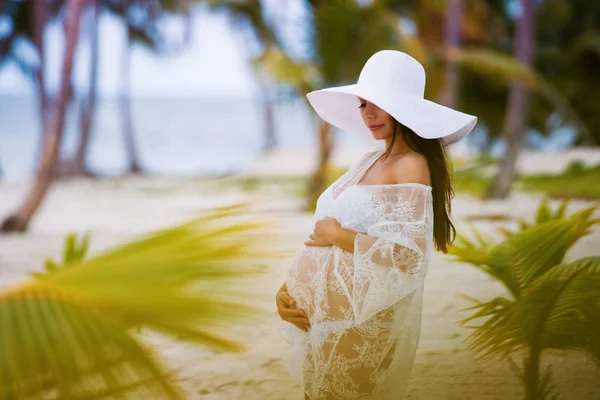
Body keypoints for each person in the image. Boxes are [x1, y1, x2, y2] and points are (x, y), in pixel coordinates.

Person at [275, 50, 477, 400]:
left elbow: (410, 256)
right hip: (320, 318)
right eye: (362, 104)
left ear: (404, 108)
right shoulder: (370, 159)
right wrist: (287, 289)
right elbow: (320, 237)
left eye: (378, 103)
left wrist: (336, 235)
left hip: (362, 319)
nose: (368, 114)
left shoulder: (411, 165)